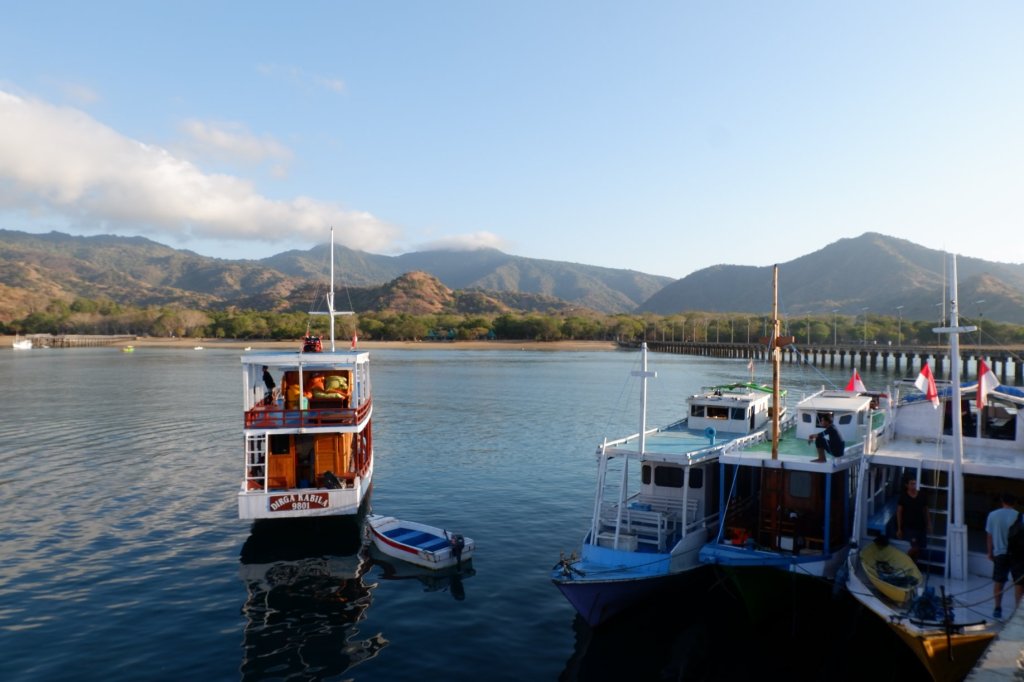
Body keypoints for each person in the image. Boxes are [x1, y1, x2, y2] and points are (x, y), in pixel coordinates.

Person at [986, 493, 1022, 619]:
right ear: (1015, 503)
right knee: (1019, 583)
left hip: (999, 554)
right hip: (1017, 555)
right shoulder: (1020, 516)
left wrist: (990, 552)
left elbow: (989, 536)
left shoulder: (993, 515)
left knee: (999, 581)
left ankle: (997, 608)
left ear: (1002, 501)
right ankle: (1017, 610)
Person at [897, 476, 931, 564]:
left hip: (921, 526)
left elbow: (926, 510)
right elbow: (899, 512)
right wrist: (899, 528)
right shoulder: (903, 497)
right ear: (907, 485)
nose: (914, 486)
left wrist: (928, 524)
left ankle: (913, 566)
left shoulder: (922, 495)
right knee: (915, 547)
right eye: (912, 484)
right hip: (910, 528)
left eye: (915, 483)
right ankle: (903, 563)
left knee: (919, 548)